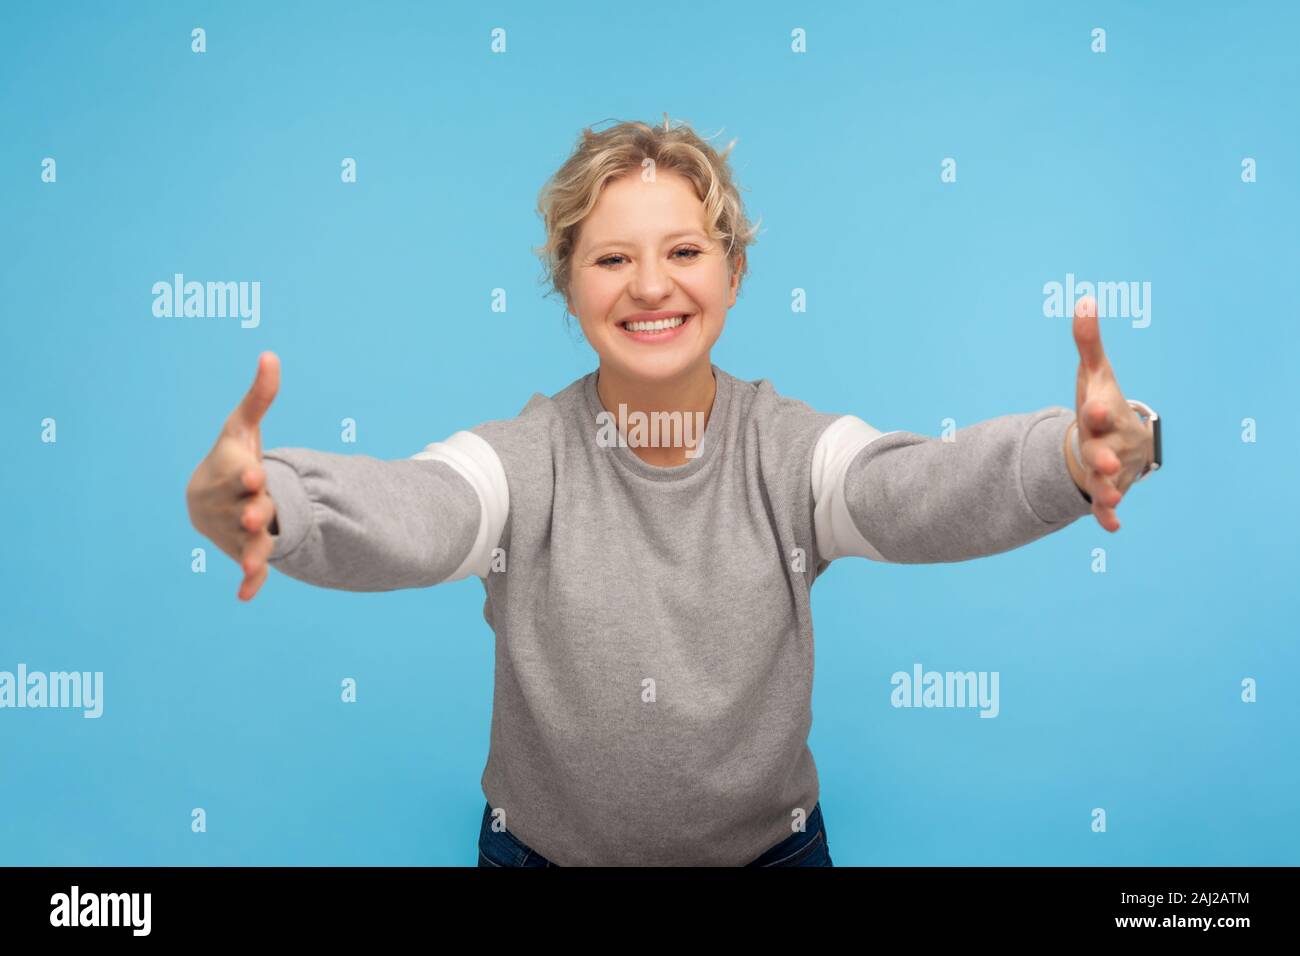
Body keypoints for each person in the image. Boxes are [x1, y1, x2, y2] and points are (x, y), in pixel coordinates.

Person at [185, 116, 1160, 867]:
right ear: (568, 286)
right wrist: (279, 501)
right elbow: (426, 507)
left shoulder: (790, 452)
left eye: (685, 251)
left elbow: (909, 487)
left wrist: (1074, 454)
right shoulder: (523, 461)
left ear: (733, 275)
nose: (650, 284)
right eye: (611, 257)